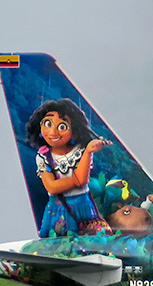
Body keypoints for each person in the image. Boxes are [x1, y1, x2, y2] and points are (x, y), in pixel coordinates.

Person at [25, 99, 112, 237]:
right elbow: (52, 187)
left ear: (75, 131)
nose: (53, 132)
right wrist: (75, 179)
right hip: (58, 209)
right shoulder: (43, 157)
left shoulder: (82, 151)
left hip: (83, 206)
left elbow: (82, 180)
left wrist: (88, 152)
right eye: (47, 124)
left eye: (62, 127)